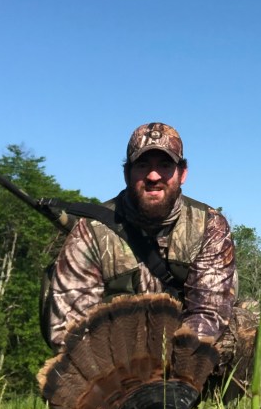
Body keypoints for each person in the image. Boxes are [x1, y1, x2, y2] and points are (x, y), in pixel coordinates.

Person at [45, 122, 237, 357]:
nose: (153, 176)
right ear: (127, 174)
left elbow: (209, 310)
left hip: (183, 355)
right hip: (114, 359)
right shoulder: (91, 230)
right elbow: (70, 328)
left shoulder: (209, 225)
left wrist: (177, 367)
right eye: (143, 165)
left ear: (182, 173)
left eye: (165, 165)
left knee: (245, 325)